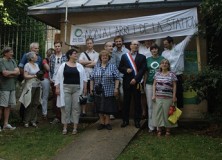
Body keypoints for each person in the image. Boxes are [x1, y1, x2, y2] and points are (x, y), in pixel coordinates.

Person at [55, 49, 87, 135]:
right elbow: (58, 77)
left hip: (77, 89)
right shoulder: (63, 65)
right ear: (69, 55)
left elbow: (84, 78)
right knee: (66, 107)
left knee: (76, 108)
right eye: (74, 54)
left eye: (76, 54)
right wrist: (57, 88)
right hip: (65, 88)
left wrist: (85, 88)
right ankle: (65, 127)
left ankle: (75, 127)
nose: (76, 55)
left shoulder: (80, 66)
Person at [119, 40, 146, 128]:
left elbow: (142, 70)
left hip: (137, 82)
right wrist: (126, 70)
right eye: (134, 44)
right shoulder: (124, 56)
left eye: (137, 45)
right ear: (130, 46)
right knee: (126, 101)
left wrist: (135, 79)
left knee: (137, 102)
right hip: (126, 82)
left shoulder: (142, 57)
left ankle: (137, 121)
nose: (136, 46)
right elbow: (120, 67)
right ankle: (125, 120)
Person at [90, 50, 120, 130]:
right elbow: (92, 78)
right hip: (98, 91)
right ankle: (101, 122)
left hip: (109, 90)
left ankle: (107, 123)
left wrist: (116, 88)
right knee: (99, 107)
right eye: (103, 56)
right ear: (100, 57)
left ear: (108, 57)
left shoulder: (112, 66)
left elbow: (117, 78)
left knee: (108, 107)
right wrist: (91, 89)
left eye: (106, 56)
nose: (104, 57)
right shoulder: (97, 66)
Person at [162, 36, 192, 108]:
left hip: (178, 75)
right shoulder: (163, 53)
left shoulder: (179, 47)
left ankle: (177, 116)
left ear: (171, 43)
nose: (164, 45)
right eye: (164, 44)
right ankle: (169, 114)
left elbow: (187, 39)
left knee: (178, 95)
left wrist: (193, 28)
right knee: (168, 94)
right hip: (167, 76)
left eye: (166, 44)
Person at [152, 59, 177, 136]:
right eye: (162, 63)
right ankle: (159, 130)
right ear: (160, 65)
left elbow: (174, 85)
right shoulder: (157, 74)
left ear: (168, 65)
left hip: (168, 97)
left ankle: (168, 130)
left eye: (166, 63)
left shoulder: (172, 74)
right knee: (158, 114)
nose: (164, 64)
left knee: (168, 114)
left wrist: (174, 96)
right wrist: (153, 95)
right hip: (158, 97)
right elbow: (154, 85)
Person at [18, 42, 42, 122]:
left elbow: (39, 69)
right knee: (26, 100)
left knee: (35, 102)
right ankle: (24, 118)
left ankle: (32, 119)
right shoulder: (26, 56)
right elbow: (21, 67)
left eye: (38, 48)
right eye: (35, 48)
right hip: (28, 81)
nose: (37, 50)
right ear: (31, 49)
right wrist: (24, 78)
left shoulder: (39, 57)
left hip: (37, 83)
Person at [144, 44, 164, 132]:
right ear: (150, 51)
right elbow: (145, 73)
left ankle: (159, 125)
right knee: (150, 105)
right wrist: (144, 85)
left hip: (160, 84)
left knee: (159, 105)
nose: (154, 50)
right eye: (152, 49)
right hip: (149, 84)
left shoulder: (162, 59)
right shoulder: (147, 60)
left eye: (156, 49)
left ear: (158, 50)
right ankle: (151, 127)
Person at [0, 47, 20, 131]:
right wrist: (13, 73)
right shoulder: (1, 61)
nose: (12, 53)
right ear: (5, 53)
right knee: (1, 106)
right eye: (10, 52)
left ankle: (5, 124)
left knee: (8, 106)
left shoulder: (12, 61)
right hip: (4, 87)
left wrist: (10, 73)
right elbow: (4, 73)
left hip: (12, 87)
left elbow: (18, 72)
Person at [78, 38, 99, 117]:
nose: (89, 45)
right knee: (84, 93)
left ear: (93, 44)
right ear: (86, 44)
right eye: (88, 43)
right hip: (84, 77)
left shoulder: (97, 54)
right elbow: (80, 62)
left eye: (91, 43)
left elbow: (96, 64)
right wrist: (91, 61)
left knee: (94, 93)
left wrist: (85, 63)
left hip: (94, 77)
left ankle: (95, 110)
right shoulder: (83, 54)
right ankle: (83, 112)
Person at [49, 41, 67, 124]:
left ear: (61, 47)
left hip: (63, 80)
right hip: (54, 79)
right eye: (56, 46)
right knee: (56, 98)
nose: (57, 48)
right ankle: (57, 117)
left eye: (59, 46)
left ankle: (64, 116)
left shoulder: (65, 56)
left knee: (64, 98)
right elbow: (50, 69)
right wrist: (51, 78)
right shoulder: (52, 57)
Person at [112, 35, 129, 117]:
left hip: (122, 76)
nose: (118, 43)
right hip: (113, 76)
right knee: (114, 94)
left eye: (119, 41)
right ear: (114, 42)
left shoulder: (127, 51)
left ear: (122, 42)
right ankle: (116, 110)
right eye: (116, 41)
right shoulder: (112, 51)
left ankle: (122, 109)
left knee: (122, 94)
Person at [41, 48, 55, 119]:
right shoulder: (45, 60)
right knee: (45, 96)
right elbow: (48, 69)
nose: (51, 56)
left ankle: (55, 112)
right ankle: (44, 113)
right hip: (46, 79)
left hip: (54, 79)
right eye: (50, 54)